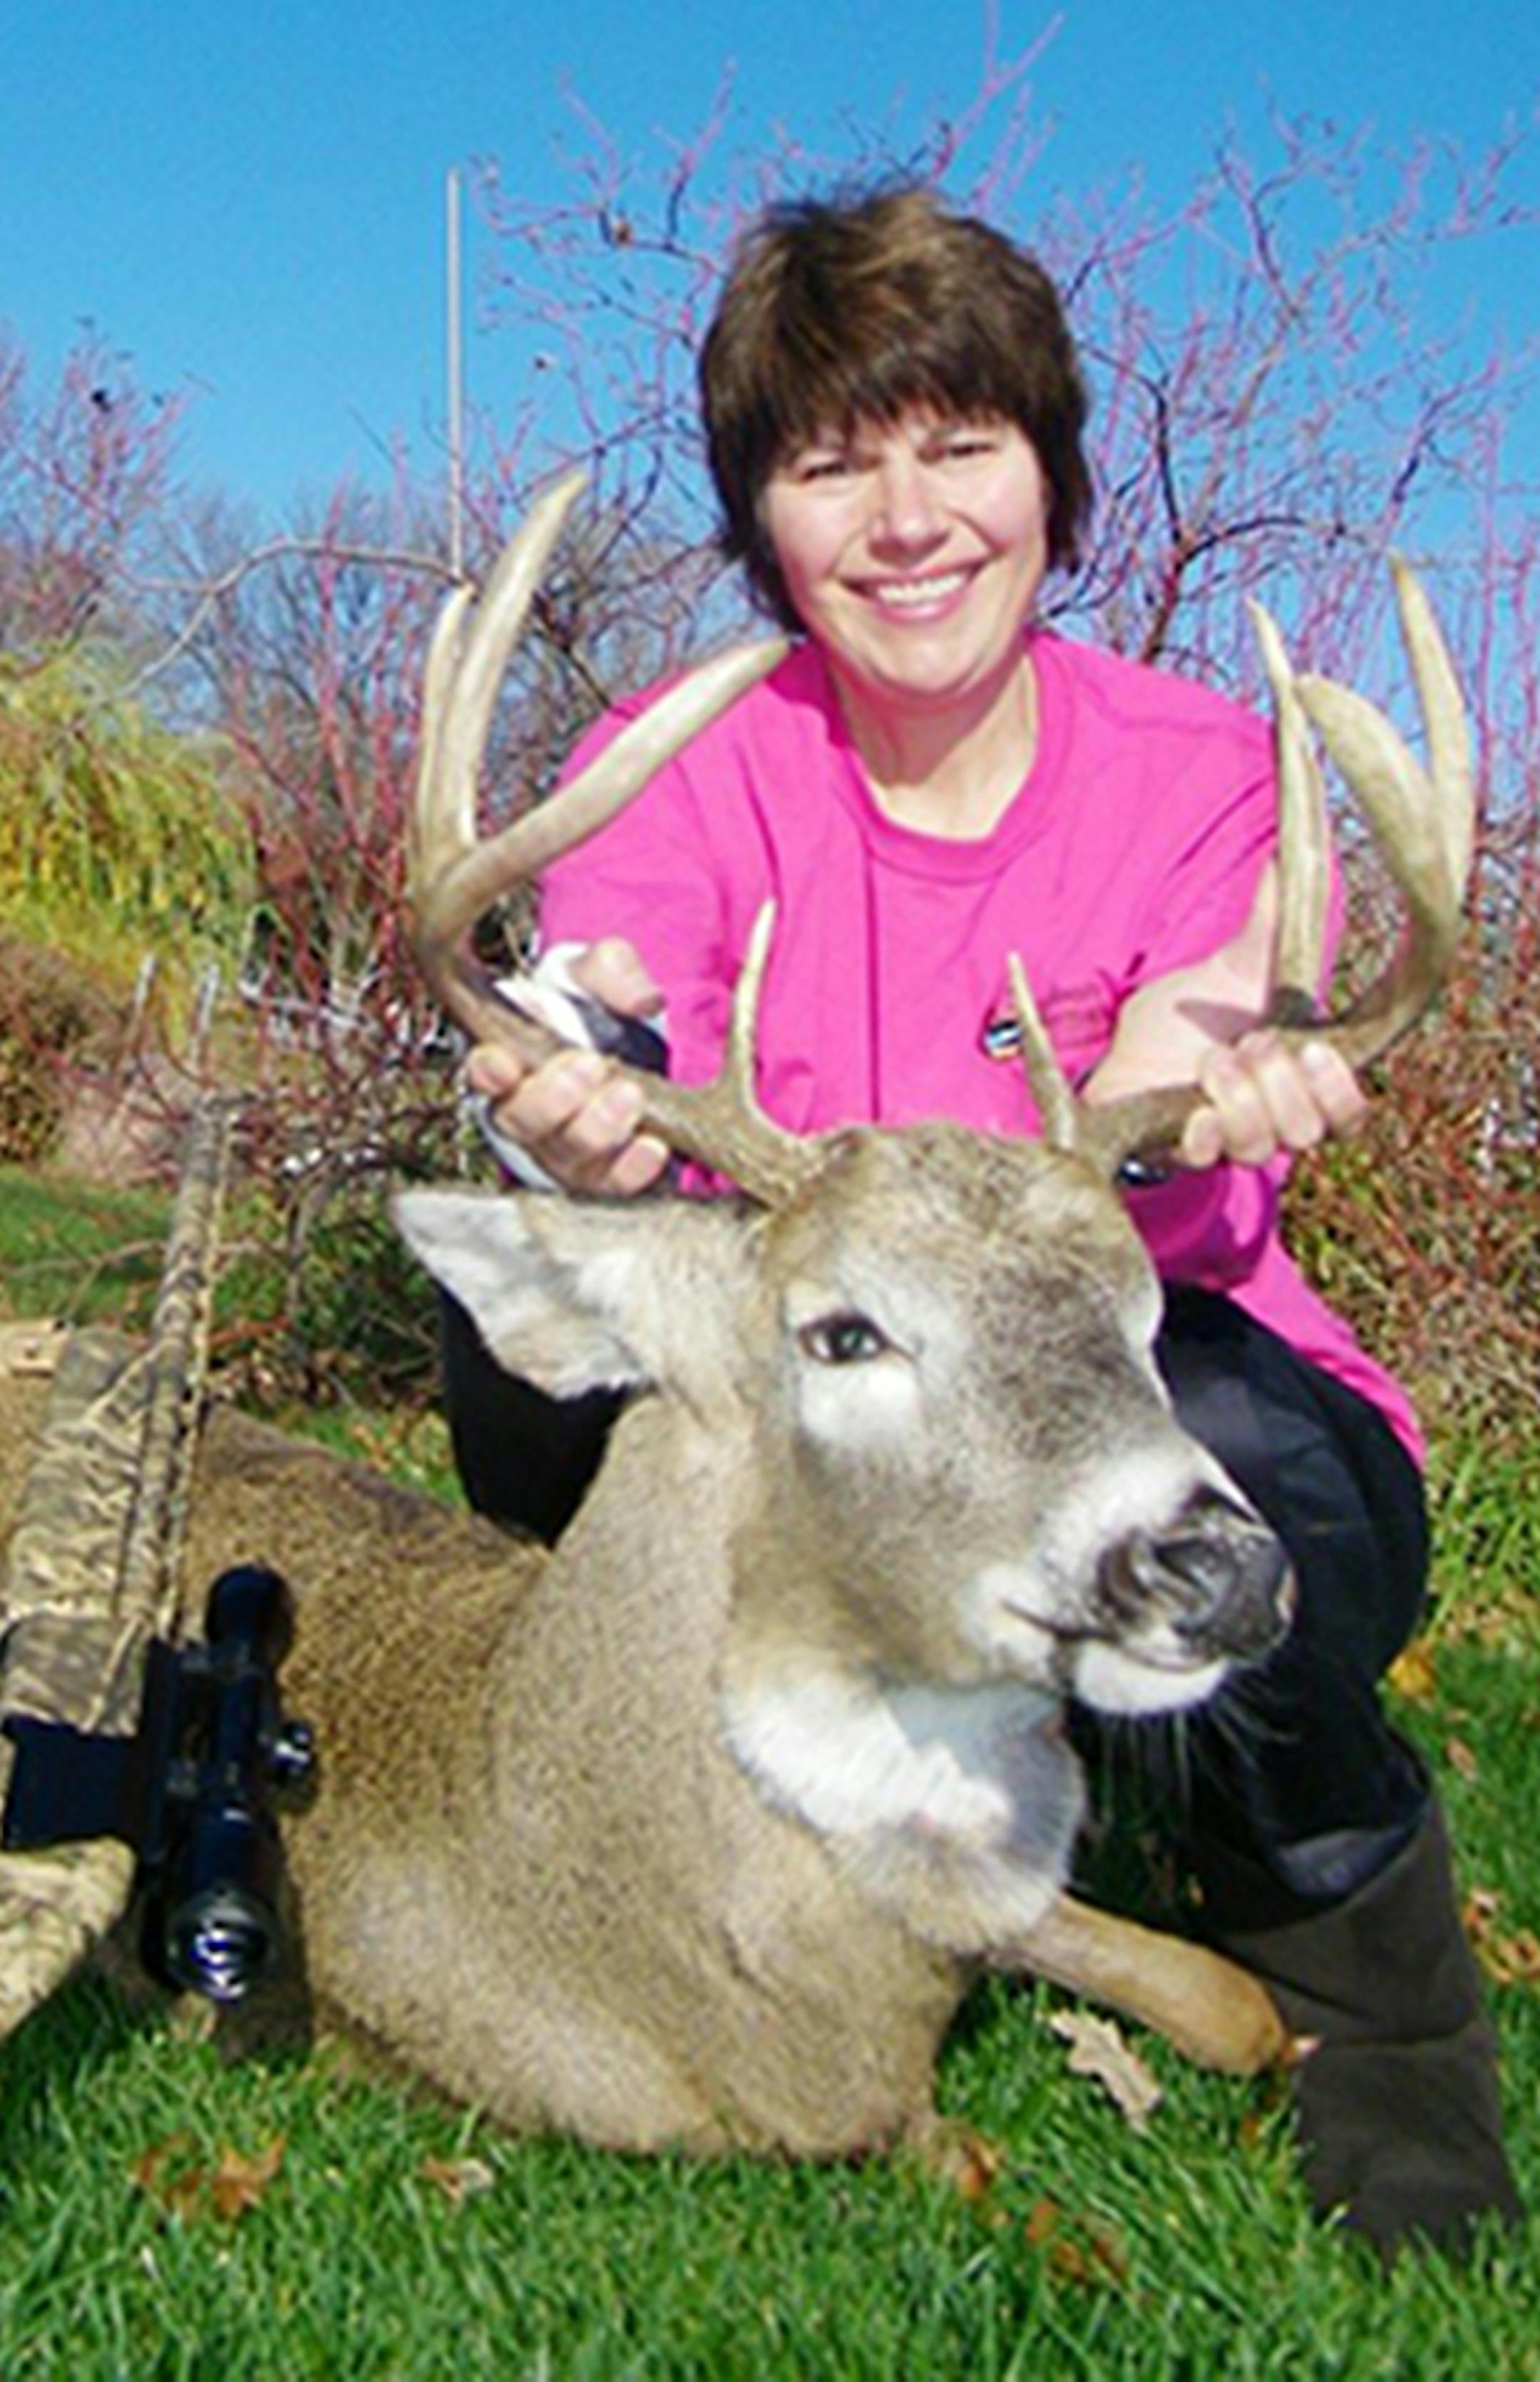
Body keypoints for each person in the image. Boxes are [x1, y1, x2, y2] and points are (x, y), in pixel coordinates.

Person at [446, 185, 1520, 2255]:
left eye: (961, 445)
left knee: (1253, 1461)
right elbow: (606, 994)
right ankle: (689, 1835)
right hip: (857, 1433)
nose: (906, 516)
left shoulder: (1206, 769)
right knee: (529, 1349)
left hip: (1149, 1380)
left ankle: (1367, 1985)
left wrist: (1249, 1073)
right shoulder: (681, 760)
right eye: (832, 462)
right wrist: (569, 1110)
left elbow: (1220, 1027)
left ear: (1051, 476)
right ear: (767, 521)